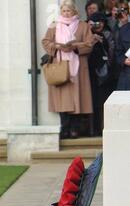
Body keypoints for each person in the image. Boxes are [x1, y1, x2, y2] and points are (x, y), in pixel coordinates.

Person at [42, 0, 94, 139]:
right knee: (61, 99)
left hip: (78, 67)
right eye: (64, 11)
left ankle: (74, 129)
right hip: (60, 66)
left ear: (74, 11)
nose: (66, 13)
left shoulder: (83, 25)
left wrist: (76, 46)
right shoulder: (54, 26)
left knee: (77, 99)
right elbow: (45, 41)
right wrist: (56, 47)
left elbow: (90, 44)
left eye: (69, 10)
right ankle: (64, 128)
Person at [88, 12, 115, 136]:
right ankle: (94, 130)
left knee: (105, 102)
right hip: (91, 74)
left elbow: (112, 54)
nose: (99, 25)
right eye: (95, 22)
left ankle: (106, 128)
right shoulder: (87, 35)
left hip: (106, 74)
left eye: (101, 22)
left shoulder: (109, 34)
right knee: (94, 103)